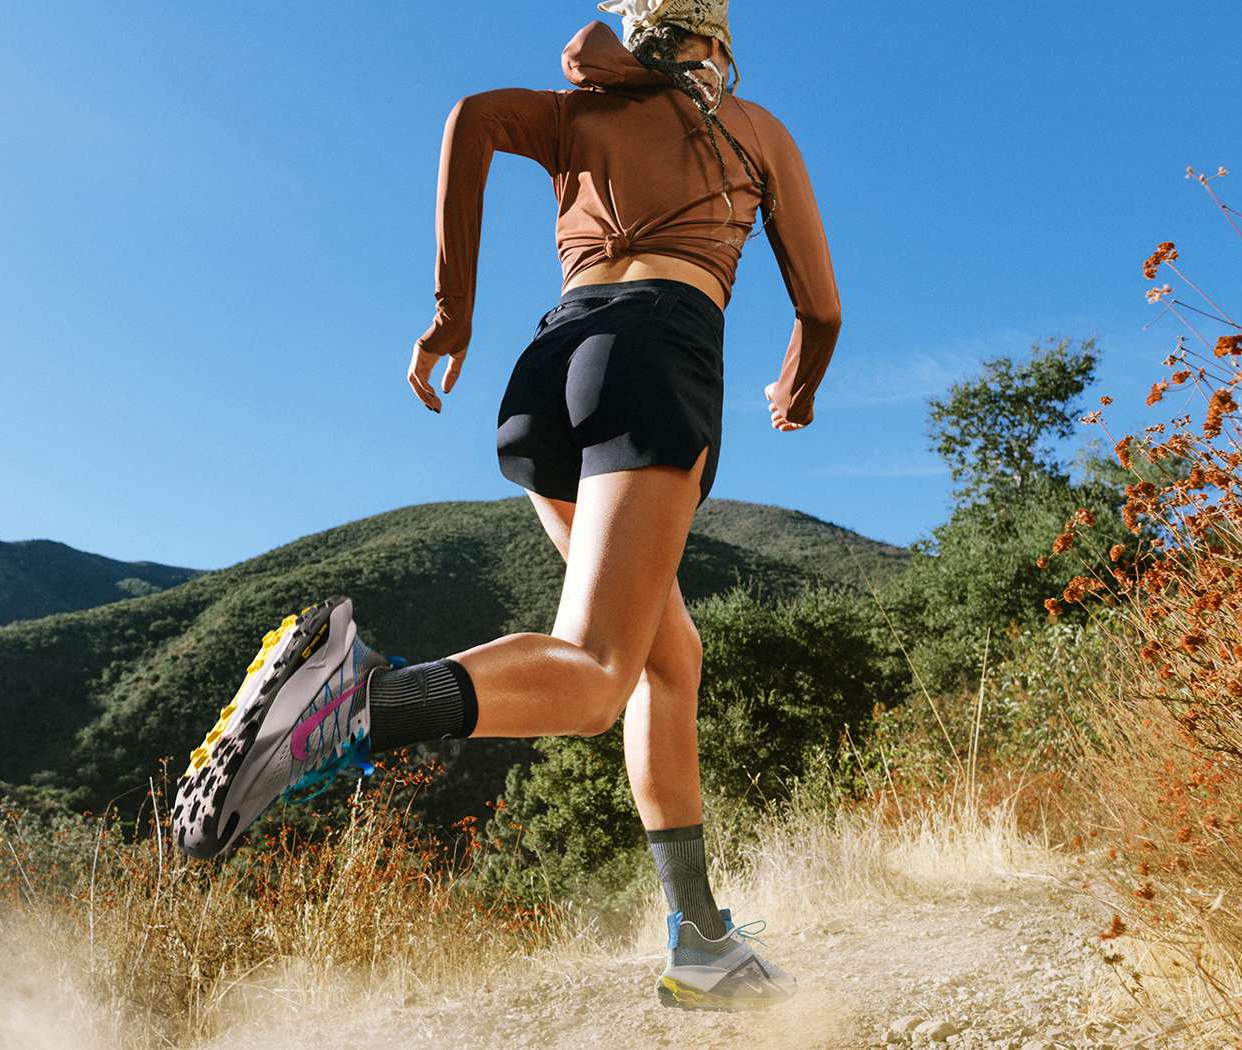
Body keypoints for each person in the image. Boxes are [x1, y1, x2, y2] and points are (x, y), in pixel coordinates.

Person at [171, 0, 840, 1012]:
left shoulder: (581, 108)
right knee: (595, 678)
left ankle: (702, 939)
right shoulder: (752, 130)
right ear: (718, 46)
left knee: (670, 658)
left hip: (547, 366)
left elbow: (472, 117)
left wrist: (450, 312)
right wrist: (799, 384)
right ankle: (348, 704)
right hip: (657, 353)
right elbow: (820, 306)